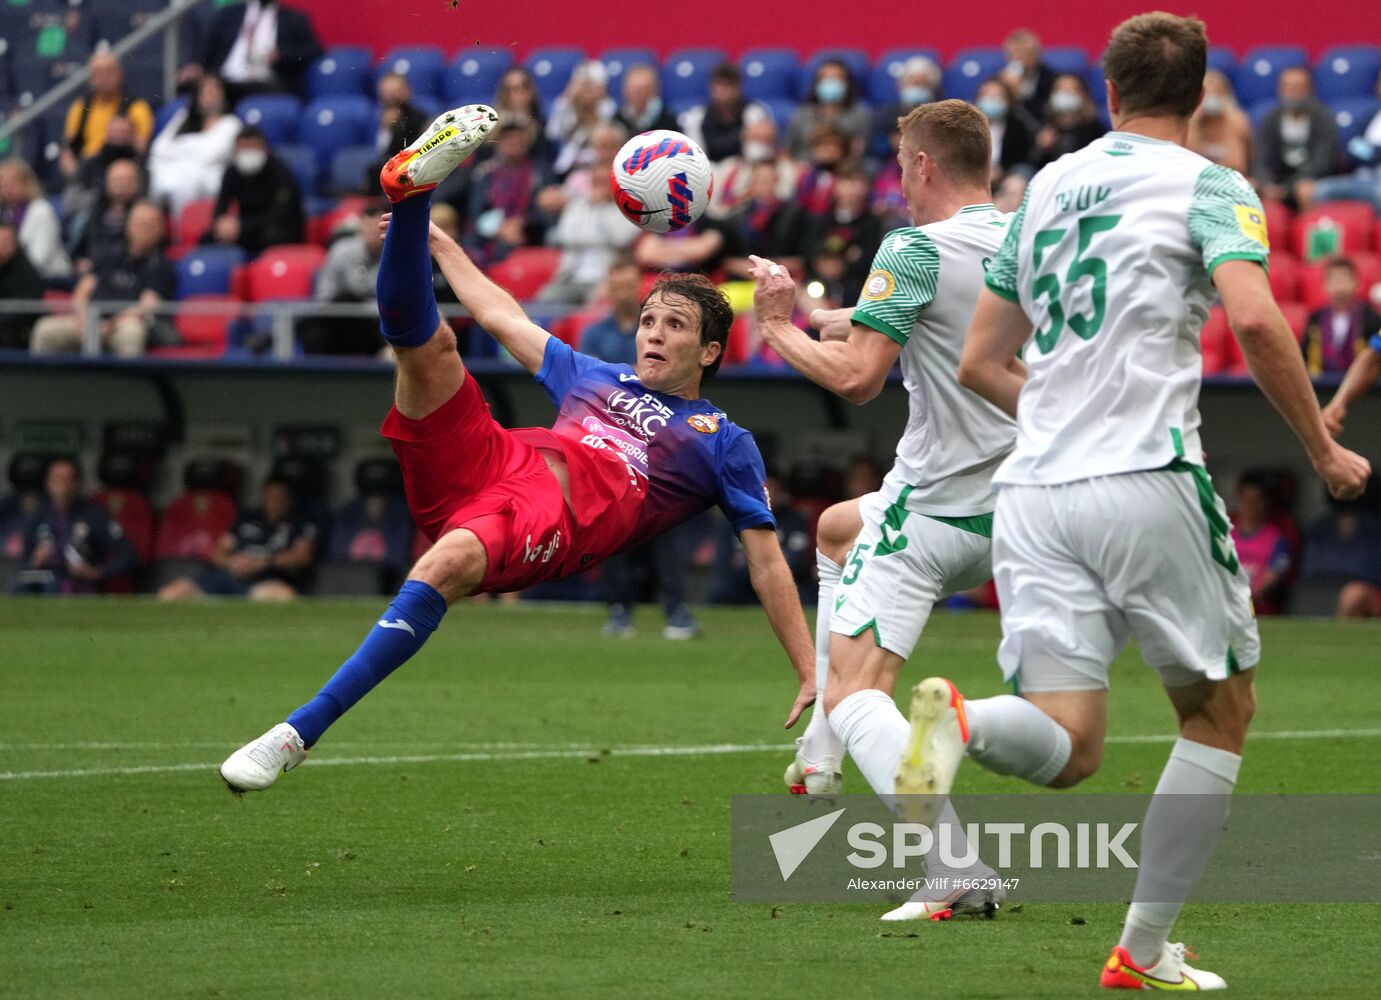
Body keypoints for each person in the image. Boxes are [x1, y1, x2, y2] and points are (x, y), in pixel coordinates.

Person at [219, 105, 813, 793]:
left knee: (446, 561)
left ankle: (294, 734)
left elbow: (767, 564)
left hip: (552, 514)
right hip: (497, 457)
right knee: (431, 348)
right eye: (648, 319)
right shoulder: (597, 374)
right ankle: (412, 197)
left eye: (672, 325)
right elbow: (501, 315)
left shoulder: (722, 441)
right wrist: (441, 247)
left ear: (709, 351)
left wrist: (806, 668)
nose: (651, 333)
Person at [952, 13, 1369, 989]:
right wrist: (1319, 445)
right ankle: (1139, 950)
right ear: (1201, 97)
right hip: (1144, 475)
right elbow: (1259, 318)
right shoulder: (1211, 182)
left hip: (1033, 490)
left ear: (1106, 92)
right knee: (1219, 709)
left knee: (1068, 740)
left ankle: (960, 723)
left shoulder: (1046, 183)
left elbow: (979, 358)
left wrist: (1062, 413)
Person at [750, 99, 1015, 921]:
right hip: (1019, 510)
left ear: (926, 165)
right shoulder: (1026, 236)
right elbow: (927, 328)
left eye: (901, 161)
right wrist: (842, 318)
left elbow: (858, 379)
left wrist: (778, 328)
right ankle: (823, 754)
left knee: (857, 692)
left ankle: (953, 864)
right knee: (834, 528)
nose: (896, 177)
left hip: (931, 513)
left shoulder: (913, 248)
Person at [30, 201, 175, 357]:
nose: (143, 230)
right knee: (45, 329)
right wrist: (86, 322)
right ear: (128, 226)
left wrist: (110, 325)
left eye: (149, 225)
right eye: (138, 224)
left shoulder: (162, 266)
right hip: (89, 319)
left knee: (132, 333)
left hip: (124, 324)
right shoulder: (109, 256)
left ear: (160, 230)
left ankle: (129, 381)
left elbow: (146, 306)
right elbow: (82, 293)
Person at [159, 477, 318, 601]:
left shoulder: (300, 523)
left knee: (285, 597)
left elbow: (302, 556)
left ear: (289, 499)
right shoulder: (248, 519)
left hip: (262, 578)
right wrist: (232, 562)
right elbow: (217, 552)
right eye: (270, 495)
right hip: (226, 573)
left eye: (279, 496)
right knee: (170, 594)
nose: (274, 500)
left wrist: (262, 563)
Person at [537, 122, 637, 305]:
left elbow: (621, 237)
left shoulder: (626, 205)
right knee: (545, 301)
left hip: (605, 278)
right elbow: (565, 235)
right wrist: (592, 209)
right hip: (571, 277)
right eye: (596, 180)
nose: (600, 185)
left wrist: (604, 209)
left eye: (604, 180)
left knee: (594, 306)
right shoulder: (579, 203)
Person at [11, 459, 137, 595]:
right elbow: (23, 558)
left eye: (67, 479)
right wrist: (34, 561)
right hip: (44, 575)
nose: (62, 485)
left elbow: (128, 555)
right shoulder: (39, 515)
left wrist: (96, 572)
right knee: (21, 582)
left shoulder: (94, 515)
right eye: (57, 479)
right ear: (48, 483)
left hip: (76, 579)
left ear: (76, 483)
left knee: (52, 586)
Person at [181, 0, 322, 102]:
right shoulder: (229, 14)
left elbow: (314, 51)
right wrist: (196, 64)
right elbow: (209, 47)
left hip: (266, 83)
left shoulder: (294, 19)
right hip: (226, 82)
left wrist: (281, 55)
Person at [147, 74, 242, 218]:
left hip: (210, 180)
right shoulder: (183, 117)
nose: (209, 97)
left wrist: (181, 145)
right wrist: (196, 147)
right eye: (204, 92)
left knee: (187, 181)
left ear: (223, 96)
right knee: (155, 175)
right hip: (173, 174)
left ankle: (183, 233)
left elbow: (210, 156)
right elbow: (158, 149)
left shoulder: (231, 123)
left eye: (213, 92)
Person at [299, 201, 387, 355]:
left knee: (348, 298)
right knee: (316, 327)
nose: (371, 232)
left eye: (377, 227)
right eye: (367, 227)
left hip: (379, 327)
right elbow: (325, 298)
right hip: (341, 324)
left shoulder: (399, 255)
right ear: (360, 226)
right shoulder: (341, 251)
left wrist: (361, 306)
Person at [464, 118, 553, 266]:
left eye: (519, 139)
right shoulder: (484, 173)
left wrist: (523, 224)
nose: (514, 143)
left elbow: (546, 211)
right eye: (509, 139)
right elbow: (475, 212)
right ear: (499, 142)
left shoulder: (540, 172)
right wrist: (499, 228)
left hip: (528, 233)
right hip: (490, 233)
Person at [206, 127, 306, 256]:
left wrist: (241, 226)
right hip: (244, 228)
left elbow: (281, 214)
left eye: (252, 147)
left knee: (273, 235)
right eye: (243, 148)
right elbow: (220, 207)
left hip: (277, 228)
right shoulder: (232, 172)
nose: (248, 152)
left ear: (264, 148)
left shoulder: (281, 172)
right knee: (208, 238)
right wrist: (222, 225)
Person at [59, 52, 155, 183]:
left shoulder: (137, 107)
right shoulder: (80, 107)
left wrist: (124, 137)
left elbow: (141, 149)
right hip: (88, 170)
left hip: (120, 170)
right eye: (97, 73)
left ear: (120, 73)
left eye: (109, 72)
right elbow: (68, 148)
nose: (103, 78)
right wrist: (76, 177)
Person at [1253, 66, 1339, 207]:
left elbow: (1322, 164)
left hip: (1311, 179)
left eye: (1298, 88)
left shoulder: (1324, 117)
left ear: (1309, 90)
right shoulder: (1270, 119)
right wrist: (1266, 184)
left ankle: (1308, 226)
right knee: (1250, 186)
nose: (1293, 93)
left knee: (1305, 189)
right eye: (1288, 87)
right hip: (1277, 180)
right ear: (1279, 90)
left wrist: (1287, 188)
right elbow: (1261, 160)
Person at [708, 117, 801, 220]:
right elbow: (712, 201)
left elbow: (783, 199)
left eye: (764, 140)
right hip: (720, 221)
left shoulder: (784, 168)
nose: (757, 144)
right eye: (753, 138)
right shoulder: (730, 165)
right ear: (744, 140)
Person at [1301, 257, 1381, 375]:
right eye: (1335, 280)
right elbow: (1305, 356)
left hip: (1364, 385)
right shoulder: (1315, 318)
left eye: (1344, 279)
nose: (1340, 286)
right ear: (1325, 285)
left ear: (1356, 282)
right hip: (1323, 385)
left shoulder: (1370, 317)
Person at [679, 62, 769, 164]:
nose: (725, 91)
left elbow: (759, 148)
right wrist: (742, 135)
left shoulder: (753, 111)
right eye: (720, 85)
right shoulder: (697, 115)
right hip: (709, 169)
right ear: (711, 87)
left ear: (739, 88)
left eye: (730, 85)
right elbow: (694, 156)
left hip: (745, 168)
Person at [1230, 473, 1294, 614]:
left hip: (1257, 608)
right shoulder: (1225, 533)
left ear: (1265, 503)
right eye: (1246, 499)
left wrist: (1245, 599)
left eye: (1256, 500)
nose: (1250, 506)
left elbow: (1272, 578)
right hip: (1225, 604)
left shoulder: (1276, 538)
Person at [66, 157, 144, 271]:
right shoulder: (96, 210)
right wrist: (78, 261)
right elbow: (80, 246)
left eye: (126, 180)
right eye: (116, 180)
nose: (121, 185)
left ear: (137, 183)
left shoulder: (143, 214)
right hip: (90, 270)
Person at [0, 158, 71, 283]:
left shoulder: (41, 211)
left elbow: (39, 259)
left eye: (13, 184)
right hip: (12, 276)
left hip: (51, 277)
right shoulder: (5, 213)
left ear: (27, 185)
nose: (7, 190)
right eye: (3, 185)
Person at [786, 60, 870, 161]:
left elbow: (859, 149)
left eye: (836, 78)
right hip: (804, 167)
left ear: (847, 83)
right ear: (817, 83)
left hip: (844, 168)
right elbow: (788, 150)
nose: (830, 82)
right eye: (825, 78)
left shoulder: (860, 114)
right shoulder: (801, 114)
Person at [545, 61, 615, 179]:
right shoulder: (568, 109)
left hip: (596, 170)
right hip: (567, 172)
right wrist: (569, 96)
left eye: (591, 86)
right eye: (583, 86)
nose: (586, 92)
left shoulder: (608, 108)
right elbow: (552, 133)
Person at [1026, 72, 1105, 171]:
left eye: (1070, 90)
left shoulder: (1093, 127)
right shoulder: (1045, 123)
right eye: (1060, 90)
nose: (1064, 94)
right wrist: (1042, 148)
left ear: (1083, 95)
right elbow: (1031, 163)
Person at [367, 72, 431, 195]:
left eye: (396, 92)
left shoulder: (419, 119)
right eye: (386, 93)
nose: (391, 97)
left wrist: (394, 129)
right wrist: (385, 129)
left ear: (407, 91)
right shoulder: (373, 118)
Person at [869, 57, 941, 157]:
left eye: (922, 84)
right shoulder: (886, 113)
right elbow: (873, 145)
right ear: (901, 85)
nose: (917, 88)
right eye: (913, 83)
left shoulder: (940, 115)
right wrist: (890, 144)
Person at [1187, 69, 1251, 175]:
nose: (1211, 98)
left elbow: (1238, 165)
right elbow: (1188, 159)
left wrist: (1225, 120)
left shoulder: (1237, 120)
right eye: (1206, 94)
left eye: (1216, 92)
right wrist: (1196, 122)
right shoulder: (1189, 123)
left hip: (1228, 178)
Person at [976, 77, 1036, 177]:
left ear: (1008, 101)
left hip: (1005, 173)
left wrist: (1002, 171)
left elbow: (1020, 157)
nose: (992, 100)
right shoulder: (965, 125)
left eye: (998, 96)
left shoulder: (1017, 126)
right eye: (987, 95)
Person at [0, 221, 45, 350]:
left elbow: (25, 307)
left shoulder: (26, 271)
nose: (2, 247)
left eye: (6, 243)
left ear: (15, 244)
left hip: (19, 326)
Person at [999, 28, 1058, 122]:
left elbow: (1049, 111)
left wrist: (1023, 92)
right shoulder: (999, 80)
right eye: (1016, 54)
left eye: (1027, 53)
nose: (1022, 59)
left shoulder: (1051, 78)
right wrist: (1006, 90)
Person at [614, 64, 679, 137]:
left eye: (644, 89)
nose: (638, 94)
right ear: (625, 90)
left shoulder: (667, 120)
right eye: (634, 89)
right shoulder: (618, 119)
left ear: (654, 90)